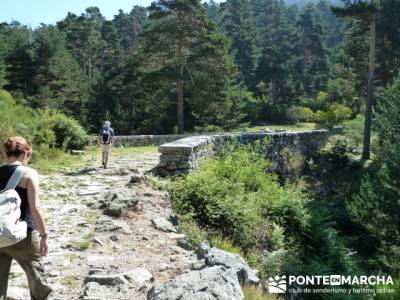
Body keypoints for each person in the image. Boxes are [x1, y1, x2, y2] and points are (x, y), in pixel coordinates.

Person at [0, 136, 52, 300]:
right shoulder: (28, 174)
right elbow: (35, 208)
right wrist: (44, 235)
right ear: (25, 153)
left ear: (6, 153)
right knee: (37, 280)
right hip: (23, 237)